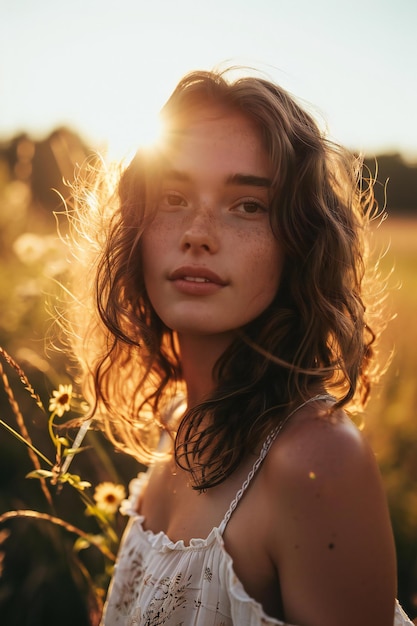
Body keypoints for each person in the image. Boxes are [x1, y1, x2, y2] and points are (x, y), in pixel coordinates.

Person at [66, 69, 414, 626]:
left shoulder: (316, 460)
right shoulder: (179, 420)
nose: (197, 233)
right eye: (173, 197)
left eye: (247, 205)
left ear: (298, 242)